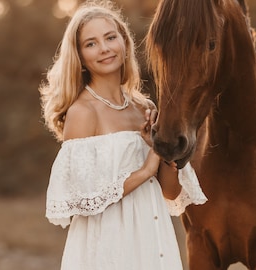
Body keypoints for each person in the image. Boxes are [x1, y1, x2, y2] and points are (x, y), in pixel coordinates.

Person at [39, 1, 207, 269]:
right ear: (80, 57)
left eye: (110, 37)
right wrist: (145, 169)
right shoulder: (82, 112)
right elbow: (82, 199)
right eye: (91, 43)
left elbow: (170, 192)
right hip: (110, 245)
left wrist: (161, 152)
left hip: (153, 237)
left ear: (125, 43)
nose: (104, 48)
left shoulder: (145, 108)